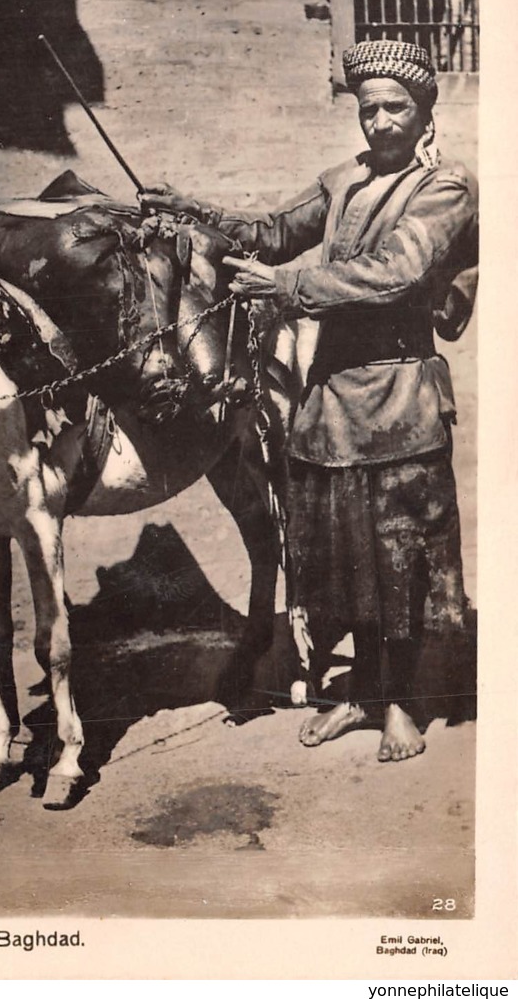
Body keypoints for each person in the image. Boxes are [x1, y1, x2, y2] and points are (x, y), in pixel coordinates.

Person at [140, 39, 478, 762]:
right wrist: (188, 210)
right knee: (339, 552)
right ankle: (358, 694)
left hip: (399, 396)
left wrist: (290, 290)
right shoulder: (343, 182)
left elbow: (397, 272)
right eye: (369, 110)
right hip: (329, 400)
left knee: (396, 552)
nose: (381, 123)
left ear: (424, 116)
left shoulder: (446, 188)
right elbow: (269, 233)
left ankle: (401, 702)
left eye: (397, 109)